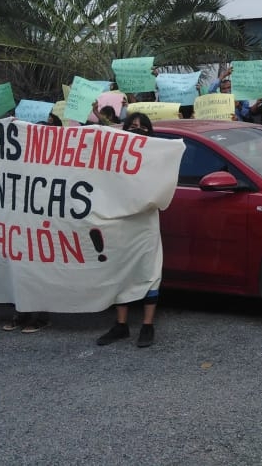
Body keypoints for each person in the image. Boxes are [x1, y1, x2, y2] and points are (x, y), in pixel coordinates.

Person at [97, 111, 159, 348]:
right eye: (132, 126)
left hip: (145, 221)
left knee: (148, 271)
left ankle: (147, 325)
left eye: (143, 127)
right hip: (121, 220)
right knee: (120, 269)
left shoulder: (156, 155)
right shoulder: (116, 156)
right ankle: (121, 325)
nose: (137, 130)